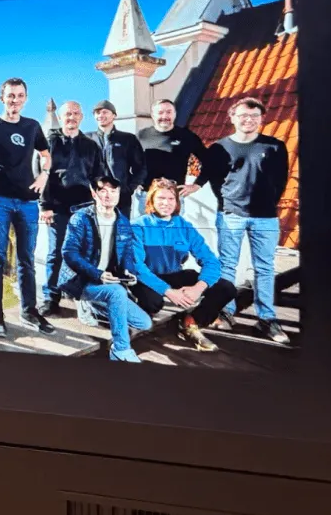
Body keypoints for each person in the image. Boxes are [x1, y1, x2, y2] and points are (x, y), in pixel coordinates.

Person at [199, 96, 291, 344]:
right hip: (231, 216)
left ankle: (267, 319)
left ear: (261, 119)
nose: (248, 120)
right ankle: (227, 313)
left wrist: (267, 202)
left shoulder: (274, 147)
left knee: (264, 268)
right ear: (232, 117)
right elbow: (214, 180)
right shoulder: (220, 147)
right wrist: (229, 201)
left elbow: (281, 181)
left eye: (253, 116)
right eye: (243, 115)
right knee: (227, 266)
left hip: (266, 217)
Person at [0, 78, 55, 337]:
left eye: (19, 96)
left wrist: (44, 175)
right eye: (10, 96)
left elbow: (46, 155)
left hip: (28, 202)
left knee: (26, 260)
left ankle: (29, 311)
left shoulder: (32, 126)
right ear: (2, 98)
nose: (15, 100)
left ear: (25, 99)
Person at [129, 177, 236, 352]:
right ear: (151, 201)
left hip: (173, 274)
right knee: (154, 302)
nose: (166, 203)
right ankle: (134, 313)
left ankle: (190, 323)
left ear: (177, 202)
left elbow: (211, 261)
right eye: (161, 198)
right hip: (146, 278)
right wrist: (169, 292)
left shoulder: (184, 226)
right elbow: (138, 268)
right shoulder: (138, 226)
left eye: (171, 199)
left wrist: (199, 287)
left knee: (226, 288)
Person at [56, 175, 152, 362]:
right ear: (94, 193)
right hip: (80, 280)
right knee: (117, 293)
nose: (109, 195)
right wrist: (97, 274)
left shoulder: (123, 221)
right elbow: (69, 253)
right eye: (103, 190)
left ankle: (91, 305)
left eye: (113, 191)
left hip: (106, 282)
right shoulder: (81, 218)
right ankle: (121, 350)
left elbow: (127, 255)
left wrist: (128, 271)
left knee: (144, 322)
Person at [38, 100, 106, 316]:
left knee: (83, 253)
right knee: (56, 252)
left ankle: (78, 293)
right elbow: (40, 173)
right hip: (57, 206)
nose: (72, 117)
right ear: (61, 115)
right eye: (68, 114)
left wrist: (100, 201)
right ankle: (51, 297)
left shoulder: (91, 145)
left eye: (76, 113)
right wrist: (44, 205)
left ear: (82, 117)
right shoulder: (50, 141)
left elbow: (98, 175)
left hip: (84, 207)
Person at [137, 99, 210, 200]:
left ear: (175, 114)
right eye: (160, 112)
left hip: (174, 197)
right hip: (147, 196)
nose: (164, 116)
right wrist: (133, 182)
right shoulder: (141, 136)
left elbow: (209, 161)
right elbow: (127, 161)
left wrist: (197, 185)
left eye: (169, 112)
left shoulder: (186, 136)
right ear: (153, 115)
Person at [87, 100, 146, 218]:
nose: (101, 115)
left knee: (121, 232)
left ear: (114, 115)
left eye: (105, 112)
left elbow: (140, 167)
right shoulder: (86, 138)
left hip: (121, 197)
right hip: (94, 197)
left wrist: (129, 188)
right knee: (96, 233)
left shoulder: (127, 139)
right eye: (97, 113)